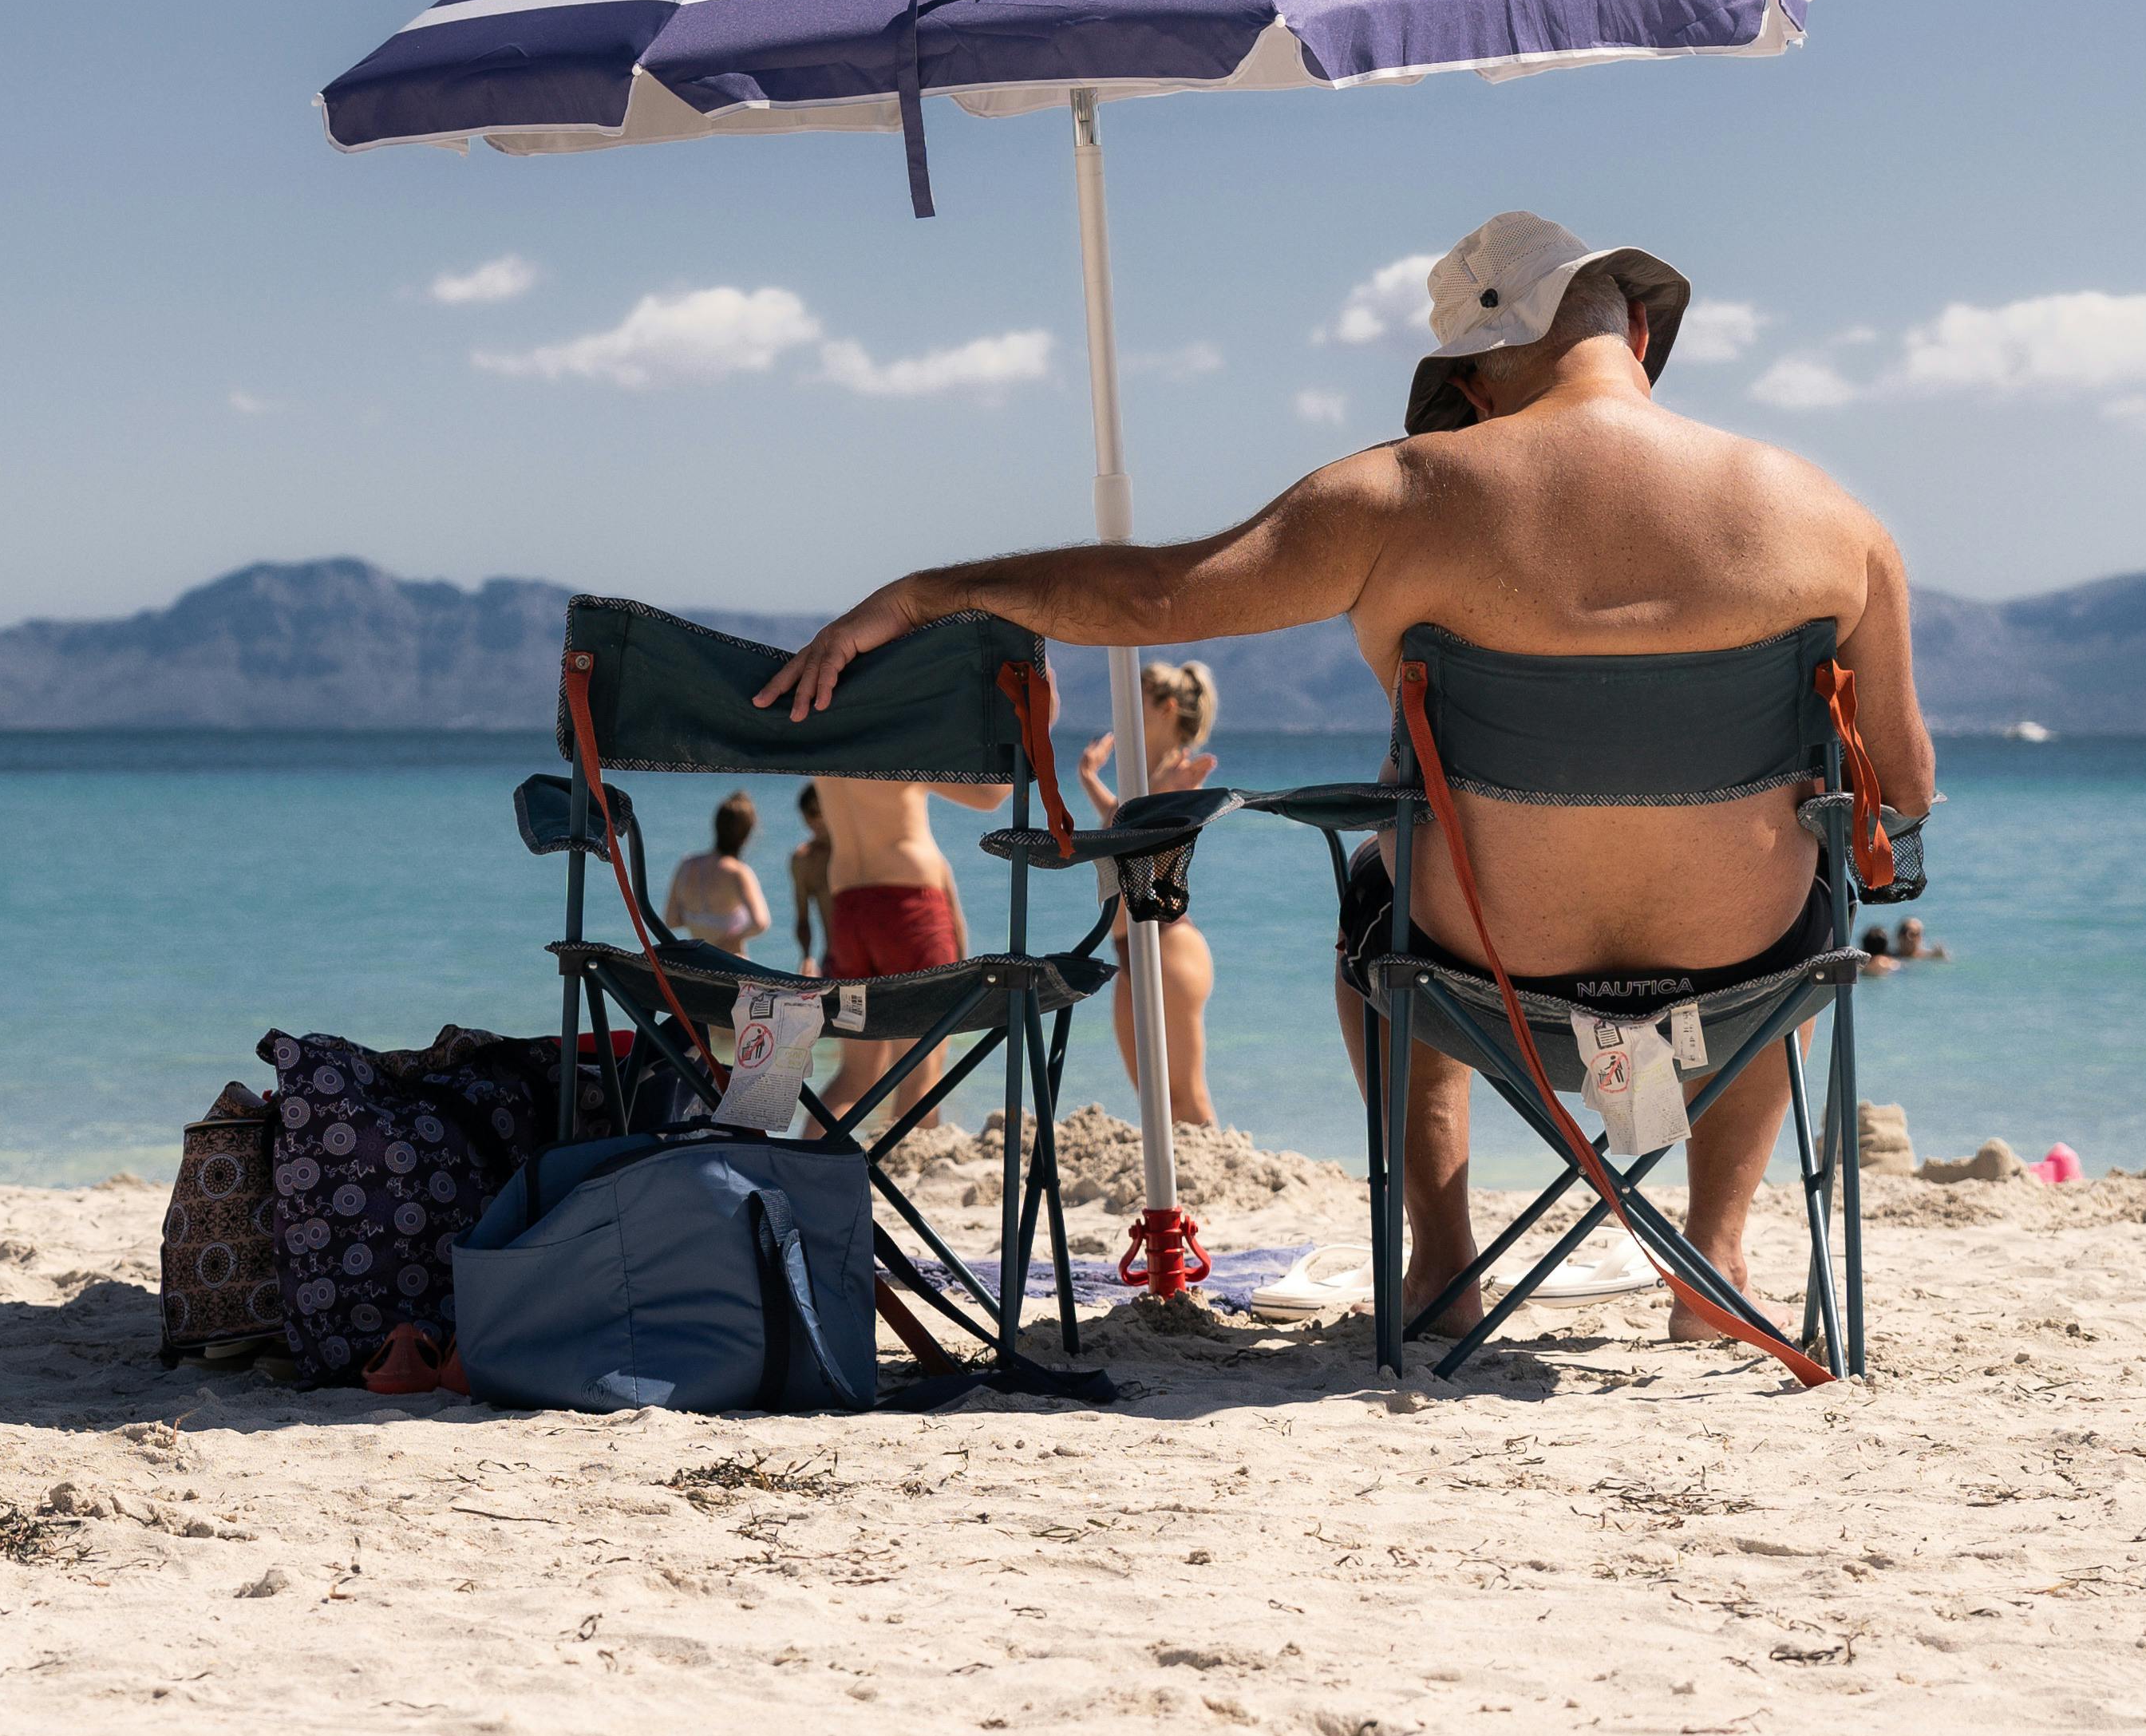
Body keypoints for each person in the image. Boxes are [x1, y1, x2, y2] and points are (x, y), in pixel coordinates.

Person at [760, 212, 1936, 1343]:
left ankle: (1440, 1261)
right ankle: (1713, 1255)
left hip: (1486, 963)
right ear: (1633, 332)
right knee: (1815, 883)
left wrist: (926, 592)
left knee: (1380, 887)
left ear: (1473, 378)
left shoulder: (1402, 493)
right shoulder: (1832, 518)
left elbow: (1156, 595)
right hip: (1740, 968)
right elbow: (1901, 793)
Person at [806, 769, 1000, 1121]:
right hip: (907, 907)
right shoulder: (897, 732)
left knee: (855, 1076)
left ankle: (807, 1169)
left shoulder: (828, 731)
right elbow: (990, 794)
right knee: (920, 1074)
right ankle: (909, 1174)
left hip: (848, 908)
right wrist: (1039, 728)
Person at [1078, 657, 1223, 1129]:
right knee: (1156, 1107)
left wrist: (1143, 790)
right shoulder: (1141, 783)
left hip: (1166, 945)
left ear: (1165, 708)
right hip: (1129, 952)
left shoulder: (1181, 774)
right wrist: (1091, 783)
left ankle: (1213, 1186)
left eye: (1132, 700)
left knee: (1186, 1102)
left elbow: (1145, 819)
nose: (1120, 711)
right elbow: (1123, 823)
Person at [663, 793, 770, 952]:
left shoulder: (687, 865)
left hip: (699, 962)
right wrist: (731, 939)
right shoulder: (738, 873)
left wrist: (700, 923)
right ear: (747, 834)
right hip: (731, 965)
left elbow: (671, 920)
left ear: (717, 826)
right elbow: (760, 923)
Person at [788, 784, 836, 971]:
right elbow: (802, 918)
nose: (814, 821)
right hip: (833, 959)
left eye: (817, 812)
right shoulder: (804, 860)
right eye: (809, 815)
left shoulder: (857, 851)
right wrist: (806, 957)